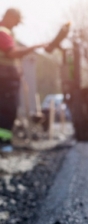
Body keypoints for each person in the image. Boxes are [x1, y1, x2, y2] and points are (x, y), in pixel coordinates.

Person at [0, 9, 48, 153]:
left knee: (6, 109)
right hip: (5, 79)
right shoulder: (3, 32)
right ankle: (4, 143)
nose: (16, 25)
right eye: (15, 21)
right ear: (9, 17)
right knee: (7, 110)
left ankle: (4, 142)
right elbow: (12, 53)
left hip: (7, 78)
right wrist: (34, 47)